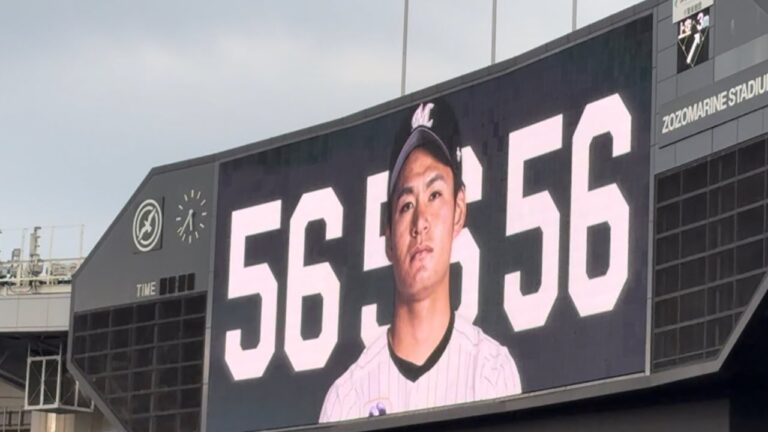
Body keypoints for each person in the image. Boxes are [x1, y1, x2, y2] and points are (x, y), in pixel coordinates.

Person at [319, 100, 522, 422]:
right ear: (387, 234)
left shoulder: (488, 370)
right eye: (406, 204)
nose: (420, 222)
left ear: (458, 210)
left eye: (434, 195)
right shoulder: (347, 397)